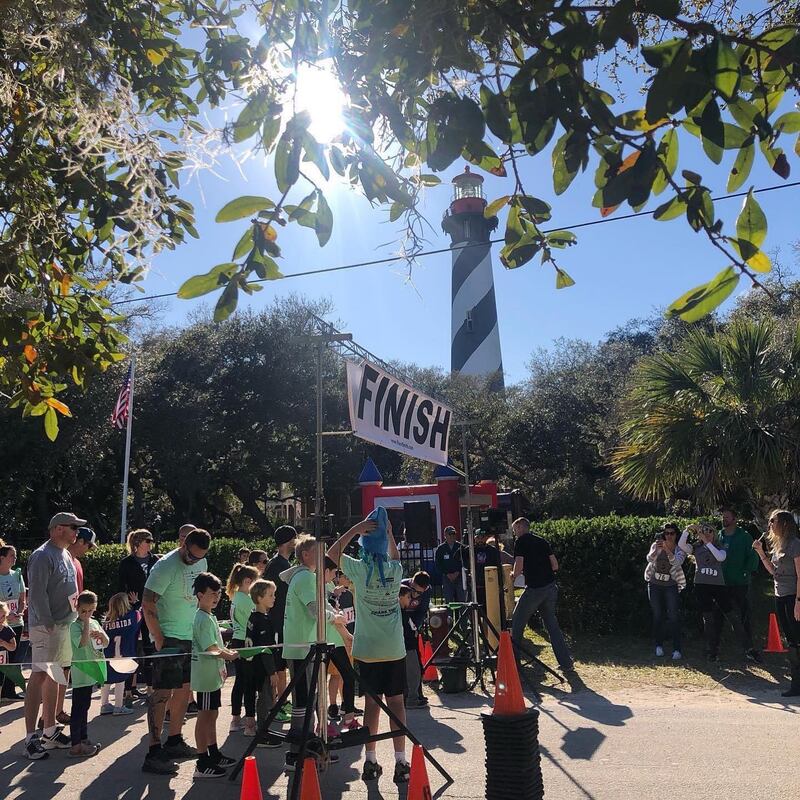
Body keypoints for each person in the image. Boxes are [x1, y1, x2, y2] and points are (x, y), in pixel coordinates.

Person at [327, 508, 411, 784]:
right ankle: (401, 760)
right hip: (394, 648)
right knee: (396, 702)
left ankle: (371, 759)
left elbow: (332, 555)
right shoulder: (394, 569)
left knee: (372, 705)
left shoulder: (359, 569)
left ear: (364, 542)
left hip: (368, 649)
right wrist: (390, 537)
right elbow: (396, 557)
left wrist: (355, 529)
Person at [140, 528, 211, 775]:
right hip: (168, 636)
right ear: (183, 546)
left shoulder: (201, 559)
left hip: (190, 634)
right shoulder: (164, 566)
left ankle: (174, 739)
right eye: (190, 556)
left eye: (198, 557)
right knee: (161, 693)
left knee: (183, 690)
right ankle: (153, 749)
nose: (194, 561)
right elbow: (147, 602)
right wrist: (158, 636)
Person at [279, 535, 344, 772]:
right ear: (306, 555)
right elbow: (314, 609)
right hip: (301, 648)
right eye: (318, 552)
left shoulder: (304, 576)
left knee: (308, 699)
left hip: (302, 646)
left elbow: (318, 604)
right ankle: (297, 754)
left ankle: (308, 749)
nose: (323, 556)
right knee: (303, 702)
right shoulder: (305, 577)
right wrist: (333, 617)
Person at [24, 512, 81, 760]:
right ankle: (30, 739)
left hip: (64, 625)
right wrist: (47, 623)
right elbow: (36, 594)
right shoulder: (41, 555)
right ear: (58, 529)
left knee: (57, 676)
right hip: (46, 627)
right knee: (39, 676)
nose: (76, 532)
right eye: (73, 527)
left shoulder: (65, 553)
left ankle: (50, 731)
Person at [510, 517, 575, 673]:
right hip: (550, 587)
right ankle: (566, 663)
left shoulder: (521, 542)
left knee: (517, 623)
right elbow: (555, 565)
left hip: (534, 589)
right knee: (552, 625)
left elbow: (519, 565)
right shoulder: (542, 541)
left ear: (520, 527)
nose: (514, 533)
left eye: (514, 530)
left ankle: (513, 663)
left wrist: (513, 575)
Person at [190, 572, 239, 779]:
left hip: (212, 675)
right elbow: (211, 648)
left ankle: (214, 752)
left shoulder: (209, 616)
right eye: (212, 593)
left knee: (213, 714)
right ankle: (202, 761)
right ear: (200, 595)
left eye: (218, 593)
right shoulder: (201, 617)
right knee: (205, 716)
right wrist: (231, 655)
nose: (216, 597)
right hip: (205, 676)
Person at [679, 522, 749, 662]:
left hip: (718, 586)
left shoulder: (719, 546)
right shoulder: (696, 547)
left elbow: (720, 557)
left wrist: (706, 541)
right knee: (708, 618)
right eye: (704, 530)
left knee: (731, 615)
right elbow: (682, 546)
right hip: (701, 585)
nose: (707, 533)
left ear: (714, 533)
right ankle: (711, 650)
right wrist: (687, 530)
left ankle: (747, 647)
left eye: (710, 531)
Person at [752, 510, 800, 697]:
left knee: (796, 639)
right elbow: (774, 571)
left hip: (792, 596)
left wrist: (798, 601)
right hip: (780, 595)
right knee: (791, 639)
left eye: (773, 520)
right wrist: (760, 552)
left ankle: (797, 684)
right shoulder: (778, 546)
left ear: (785, 524)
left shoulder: (795, 545)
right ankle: (796, 683)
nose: (770, 523)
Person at [717, 509, 762, 663]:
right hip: (723, 582)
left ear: (734, 519)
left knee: (743, 614)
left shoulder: (743, 536)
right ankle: (717, 647)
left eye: (727, 517)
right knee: (721, 614)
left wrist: (746, 571)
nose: (724, 519)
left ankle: (749, 648)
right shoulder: (719, 535)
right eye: (723, 517)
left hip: (740, 583)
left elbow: (753, 555)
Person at [117, 528, 160, 689]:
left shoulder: (156, 560)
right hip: (133, 610)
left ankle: (150, 686)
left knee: (150, 646)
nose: (151, 544)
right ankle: (129, 688)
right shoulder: (126, 563)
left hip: (152, 608)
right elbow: (120, 587)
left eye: (151, 540)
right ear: (137, 543)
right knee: (131, 647)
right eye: (147, 541)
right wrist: (129, 599)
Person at [69, 590, 108, 757]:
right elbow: (82, 643)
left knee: (85, 707)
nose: (87, 614)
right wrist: (85, 624)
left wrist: (100, 635)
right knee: (78, 709)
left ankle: (83, 738)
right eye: (84, 611)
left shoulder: (95, 623)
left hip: (92, 670)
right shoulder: (74, 626)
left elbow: (105, 642)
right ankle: (75, 745)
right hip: (81, 672)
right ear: (77, 608)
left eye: (91, 611)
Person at [243, 578, 281, 746]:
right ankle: (262, 733)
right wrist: (272, 672)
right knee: (265, 699)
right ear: (259, 598)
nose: (274, 597)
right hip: (261, 667)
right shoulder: (262, 620)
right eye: (270, 595)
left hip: (252, 665)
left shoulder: (254, 616)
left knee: (264, 698)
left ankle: (263, 728)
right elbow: (265, 649)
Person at [323, 557, 359, 735]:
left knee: (348, 676)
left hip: (337, 640)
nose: (335, 575)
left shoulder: (331, 588)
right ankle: (325, 719)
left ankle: (348, 716)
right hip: (327, 640)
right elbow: (332, 617)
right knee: (324, 680)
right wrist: (347, 635)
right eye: (333, 572)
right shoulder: (322, 588)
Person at [264, 525, 296, 717]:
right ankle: (278, 704)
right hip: (276, 623)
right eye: (294, 538)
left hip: (282, 622)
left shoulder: (282, 563)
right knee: (278, 666)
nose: (296, 541)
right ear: (287, 541)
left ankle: (282, 702)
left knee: (281, 665)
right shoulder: (278, 565)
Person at [644, 523, 686, 660]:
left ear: (676, 534)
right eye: (666, 533)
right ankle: (658, 645)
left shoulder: (680, 548)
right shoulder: (656, 545)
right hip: (655, 584)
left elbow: (677, 562)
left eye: (672, 533)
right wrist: (657, 549)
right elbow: (649, 559)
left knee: (673, 616)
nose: (669, 536)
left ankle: (677, 649)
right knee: (657, 615)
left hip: (671, 585)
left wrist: (667, 550)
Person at [225, 563, 258, 732]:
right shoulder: (246, 600)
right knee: (249, 682)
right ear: (247, 581)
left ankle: (236, 718)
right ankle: (249, 723)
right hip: (246, 642)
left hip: (238, 641)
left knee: (241, 681)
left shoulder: (237, 597)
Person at [100, 592, 141, 716]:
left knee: (106, 680)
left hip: (108, 655)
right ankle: (118, 706)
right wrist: (136, 603)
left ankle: (104, 704)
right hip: (124, 654)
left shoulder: (106, 622)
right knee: (120, 680)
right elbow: (141, 613)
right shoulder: (132, 616)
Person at [0, 543, 26, 700]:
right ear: (2, 558)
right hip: (2, 623)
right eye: (12, 555)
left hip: (17, 622)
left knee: (14, 657)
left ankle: (9, 691)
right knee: (2, 656)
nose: (15, 558)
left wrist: (21, 610)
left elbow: (22, 597)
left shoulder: (17, 575)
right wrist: (4, 616)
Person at [399, 586, 426, 709]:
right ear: (400, 597)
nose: (410, 600)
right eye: (408, 597)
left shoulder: (404, 612)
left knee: (415, 672)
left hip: (411, 645)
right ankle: (411, 699)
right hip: (407, 646)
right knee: (412, 674)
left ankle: (413, 697)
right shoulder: (399, 613)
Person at [463, 528, 501, 608]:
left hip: (489, 583)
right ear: (474, 538)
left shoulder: (492, 551)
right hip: (475, 584)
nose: (480, 540)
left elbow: (497, 566)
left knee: (489, 607)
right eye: (478, 537)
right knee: (474, 608)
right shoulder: (470, 550)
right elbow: (459, 558)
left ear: (486, 538)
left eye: (482, 537)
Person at [435, 526, 465, 603]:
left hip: (459, 577)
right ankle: (449, 615)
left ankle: (463, 615)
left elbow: (464, 561)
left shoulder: (460, 547)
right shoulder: (441, 549)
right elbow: (438, 564)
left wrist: (457, 572)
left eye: (453, 534)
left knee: (462, 599)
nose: (452, 536)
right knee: (448, 600)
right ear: (445, 535)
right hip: (447, 578)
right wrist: (447, 574)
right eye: (450, 534)